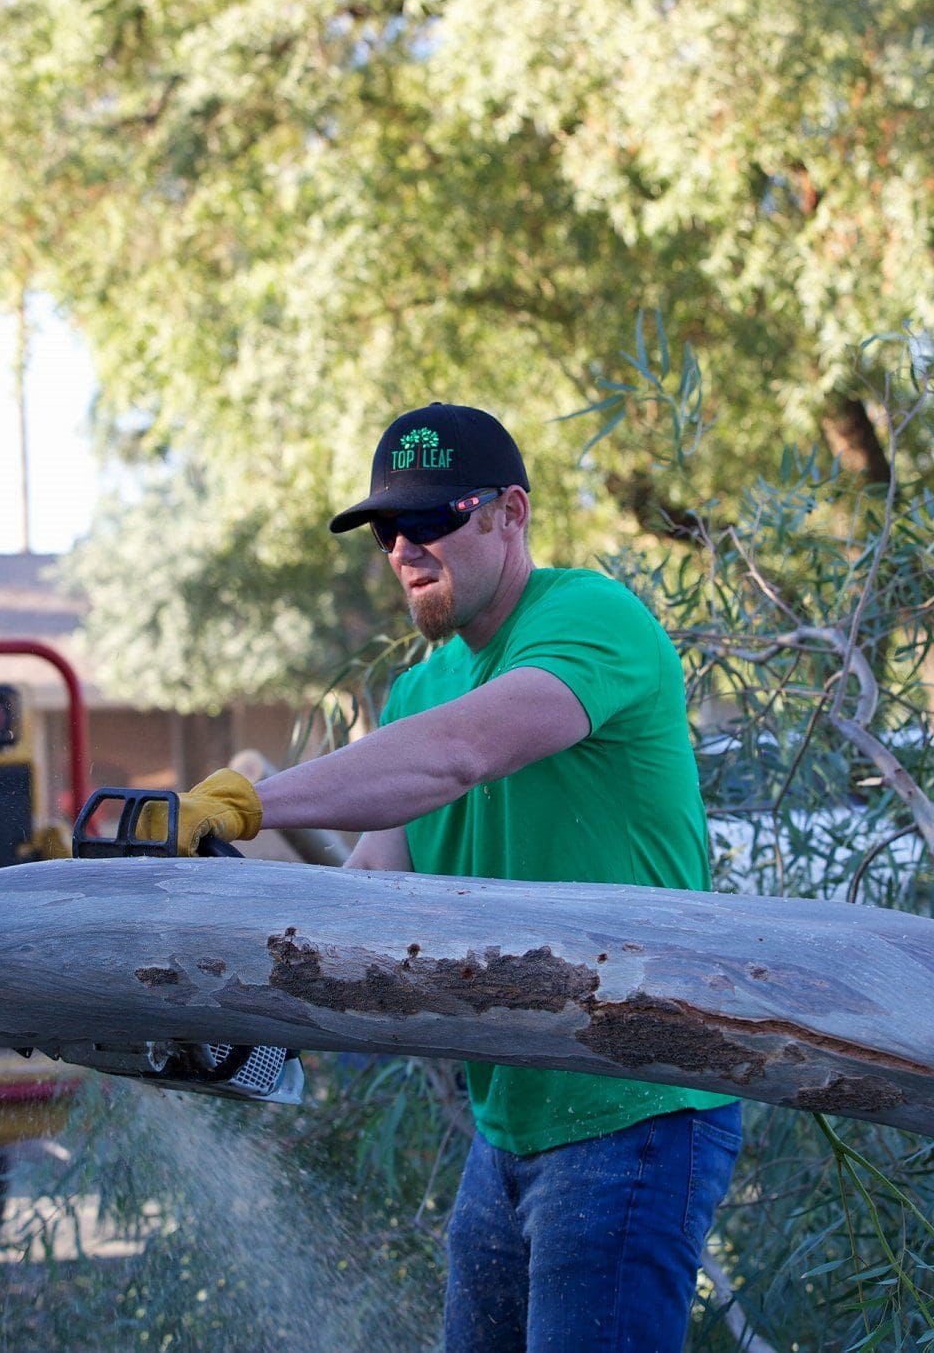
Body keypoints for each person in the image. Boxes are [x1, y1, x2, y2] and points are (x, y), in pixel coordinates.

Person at [164, 402, 740, 1353]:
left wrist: (249, 802)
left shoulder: (591, 618)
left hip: (637, 1108)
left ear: (510, 514)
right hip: (508, 1124)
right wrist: (207, 958)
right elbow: (366, 899)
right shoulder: (419, 690)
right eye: (388, 529)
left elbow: (462, 755)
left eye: (433, 519)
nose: (404, 547)